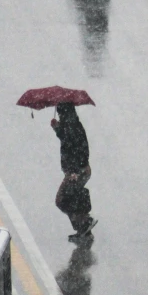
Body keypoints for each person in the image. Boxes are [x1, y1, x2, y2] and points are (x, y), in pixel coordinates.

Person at [52, 103, 97, 240]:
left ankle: (84, 222)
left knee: (62, 200)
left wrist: (73, 171)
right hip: (81, 170)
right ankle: (83, 228)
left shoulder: (70, 128)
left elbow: (73, 149)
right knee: (72, 198)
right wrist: (57, 129)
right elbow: (70, 141)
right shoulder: (73, 125)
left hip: (76, 172)